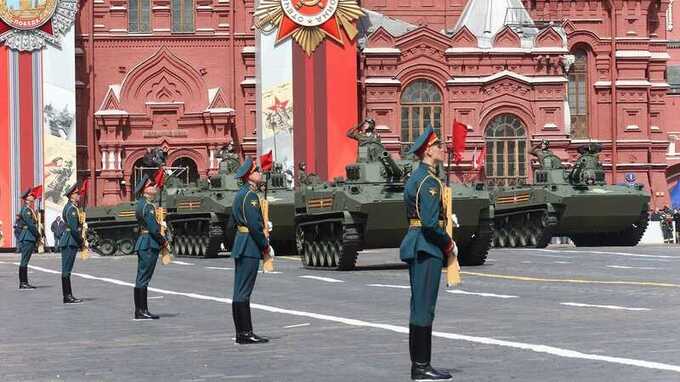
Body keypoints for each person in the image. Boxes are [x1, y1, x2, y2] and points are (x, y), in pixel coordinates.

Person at [400, 127, 456, 381]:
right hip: (427, 246)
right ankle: (421, 367)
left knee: (419, 307)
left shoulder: (417, 178)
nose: (442, 149)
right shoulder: (430, 182)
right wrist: (448, 244)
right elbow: (430, 224)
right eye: (439, 145)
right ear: (429, 150)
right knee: (424, 308)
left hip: (418, 244)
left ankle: (420, 365)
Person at [230, 158, 270, 344]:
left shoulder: (241, 194)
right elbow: (254, 225)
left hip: (242, 242)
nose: (260, 173)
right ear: (250, 176)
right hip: (250, 245)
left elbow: (233, 224)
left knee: (239, 290)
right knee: (244, 291)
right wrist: (265, 245)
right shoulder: (251, 196)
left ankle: (241, 332)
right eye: (257, 171)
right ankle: (246, 333)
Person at [132, 175, 167, 320]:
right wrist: (163, 241)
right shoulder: (147, 206)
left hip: (144, 241)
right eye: (151, 186)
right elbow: (153, 228)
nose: (154, 188)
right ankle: (142, 310)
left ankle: (140, 310)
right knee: (144, 278)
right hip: (149, 243)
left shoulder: (142, 204)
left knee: (141, 277)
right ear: (145, 190)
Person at [59, 184, 84, 304]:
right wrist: (81, 240)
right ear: (71, 196)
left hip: (68, 240)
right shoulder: (72, 209)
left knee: (67, 269)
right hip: (70, 241)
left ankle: (68, 295)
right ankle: (67, 296)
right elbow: (74, 228)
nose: (79, 195)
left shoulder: (70, 207)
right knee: (66, 270)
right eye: (77, 193)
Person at [17, 188, 40, 289]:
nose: (33, 199)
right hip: (28, 236)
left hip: (28, 236)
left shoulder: (29, 210)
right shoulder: (26, 210)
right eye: (31, 197)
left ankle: (24, 282)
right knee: (24, 260)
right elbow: (31, 224)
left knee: (25, 260)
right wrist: (38, 234)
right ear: (26, 199)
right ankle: (23, 282)